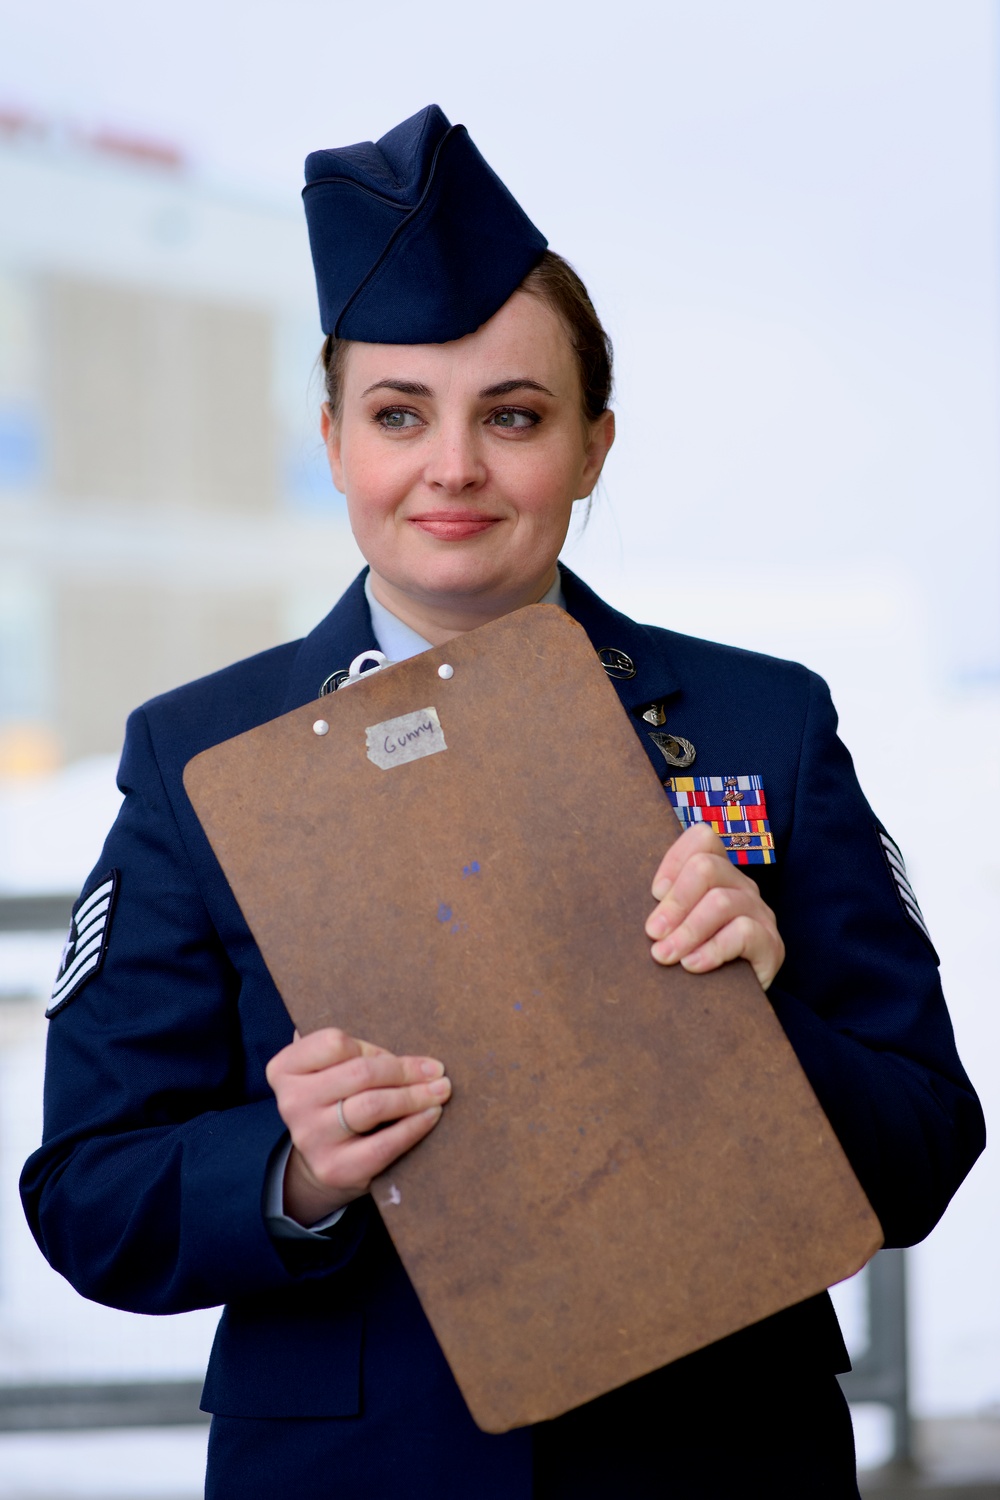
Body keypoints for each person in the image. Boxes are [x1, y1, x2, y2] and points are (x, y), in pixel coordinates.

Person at [21, 105, 984, 1500]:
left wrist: (757, 1020)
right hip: (360, 1469)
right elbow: (89, 1193)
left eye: (514, 416)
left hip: (713, 1456)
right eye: (400, 414)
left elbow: (923, 1144)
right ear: (337, 441)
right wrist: (287, 1170)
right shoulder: (203, 755)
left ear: (593, 446)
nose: (453, 468)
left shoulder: (763, 721)